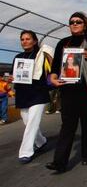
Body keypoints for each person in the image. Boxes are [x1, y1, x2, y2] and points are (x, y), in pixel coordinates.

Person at [46, 12, 87, 173]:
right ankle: (59, 162)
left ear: (85, 25)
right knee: (67, 126)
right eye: (71, 22)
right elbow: (55, 67)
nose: (74, 24)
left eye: (78, 22)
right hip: (68, 90)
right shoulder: (63, 43)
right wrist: (53, 77)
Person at [10, 30, 53, 163]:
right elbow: (14, 74)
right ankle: (41, 142)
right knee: (27, 121)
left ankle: (25, 152)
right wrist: (12, 77)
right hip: (23, 93)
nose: (25, 41)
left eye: (28, 39)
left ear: (35, 41)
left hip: (38, 92)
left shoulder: (42, 55)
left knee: (33, 122)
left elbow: (50, 70)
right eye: (22, 39)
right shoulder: (18, 57)